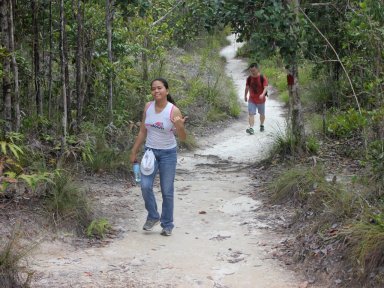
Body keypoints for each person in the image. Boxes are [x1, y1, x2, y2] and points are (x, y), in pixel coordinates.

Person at [130, 78, 187, 236]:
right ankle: (153, 215)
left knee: (167, 190)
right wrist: (134, 150)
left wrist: (180, 125)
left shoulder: (173, 111)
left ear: (166, 91)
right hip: (150, 153)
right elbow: (143, 130)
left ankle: (167, 224)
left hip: (168, 154)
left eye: (160, 88)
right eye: (153, 88)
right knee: (145, 186)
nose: (156, 91)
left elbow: (182, 137)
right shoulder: (148, 107)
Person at [244, 63, 268, 134]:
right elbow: (247, 88)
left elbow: (266, 87)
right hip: (252, 99)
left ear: (257, 69)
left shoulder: (262, 77)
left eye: (254, 70)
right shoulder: (249, 78)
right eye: (251, 71)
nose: (252, 72)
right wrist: (245, 96)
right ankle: (251, 128)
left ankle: (262, 125)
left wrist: (263, 94)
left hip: (261, 100)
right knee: (251, 114)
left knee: (262, 114)